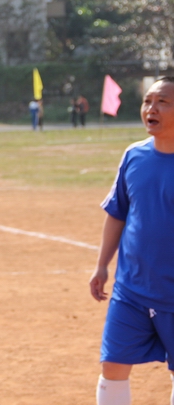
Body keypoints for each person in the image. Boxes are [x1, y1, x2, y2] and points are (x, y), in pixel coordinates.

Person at [89, 76, 174, 405]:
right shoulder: (134, 156)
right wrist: (102, 266)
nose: (152, 108)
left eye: (163, 102)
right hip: (132, 291)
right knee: (112, 366)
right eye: (148, 101)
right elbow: (117, 213)